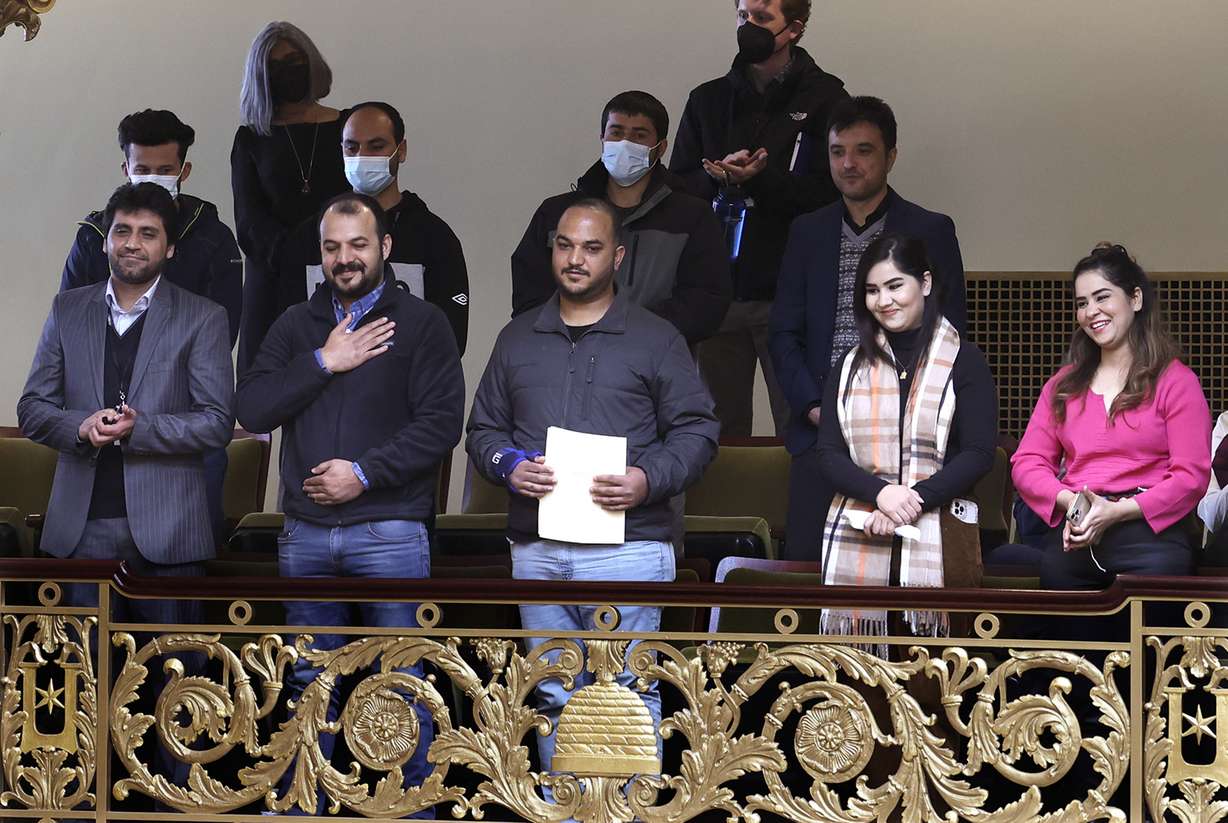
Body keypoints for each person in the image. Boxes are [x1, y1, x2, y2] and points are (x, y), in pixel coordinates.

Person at [468, 199, 719, 786]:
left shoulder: (657, 339)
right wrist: (508, 466)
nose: (575, 259)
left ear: (619, 256)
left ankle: (626, 813)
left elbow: (699, 430)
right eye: (564, 245)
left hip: (628, 546)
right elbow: (482, 432)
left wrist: (646, 479)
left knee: (626, 703)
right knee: (551, 697)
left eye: (591, 247)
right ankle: (564, 809)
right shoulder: (517, 338)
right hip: (537, 546)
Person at [235, 192, 465, 816]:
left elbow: (443, 424)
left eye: (359, 245)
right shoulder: (294, 325)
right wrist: (323, 362)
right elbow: (252, 408)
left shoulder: (422, 324)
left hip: (390, 532)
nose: (345, 258)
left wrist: (363, 473)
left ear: (385, 248)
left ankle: (409, 809)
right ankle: (307, 808)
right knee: (311, 684)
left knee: (401, 686)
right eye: (333, 247)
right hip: (306, 534)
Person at [18, 182, 234, 613]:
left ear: (170, 248)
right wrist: (78, 426)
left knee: (174, 676)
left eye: (148, 233)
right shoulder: (67, 309)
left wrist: (143, 428)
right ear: (105, 241)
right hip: (81, 528)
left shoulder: (204, 316)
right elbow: (31, 409)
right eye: (122, 231)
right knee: (87, 674)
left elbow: (216, 422)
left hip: (171, 532)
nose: (132, 243)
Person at [769, 95, 968, 561]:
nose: (848, 164)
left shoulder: (931, 230)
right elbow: (783, 333)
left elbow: (949, 331)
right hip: (822, 431)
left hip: (907, 432)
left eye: (864, 151)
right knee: (810, 571)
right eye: (838, 152)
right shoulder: (807, 231)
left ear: (891, 156)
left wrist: (907, 406)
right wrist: (815, 406)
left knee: (902, 576)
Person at [60, 109, 241, 542]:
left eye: (165, 170)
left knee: (186, 555)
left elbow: (222, 334)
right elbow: (72, 333)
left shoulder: (213, 238)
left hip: (186, 425)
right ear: (125, 168)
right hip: (101, 423)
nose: (153, 178)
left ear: (184, 170)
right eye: (142, 170)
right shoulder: (93, 236)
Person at [671, 0, 848, 437]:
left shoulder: (828, 98)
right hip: (719, 292)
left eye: (762, 19)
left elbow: (834, 193)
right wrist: (718, 178)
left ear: (794, 29)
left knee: (801, 424)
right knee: (717, 431)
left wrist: (762, 180)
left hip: (792, 294)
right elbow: (676, 189)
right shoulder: (708, 100)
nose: (748, 27)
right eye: (742, 16)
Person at [818, 234, 995, 639]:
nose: (884, 301)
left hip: (943, 533)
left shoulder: (964, 359)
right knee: (861, 682)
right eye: (873, 290)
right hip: (860, 525)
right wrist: (881, 494)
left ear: (926, 284)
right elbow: (827, 452)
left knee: (936, 683)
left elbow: (979, 452)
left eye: (896, 285)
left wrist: (910, 501)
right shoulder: (849, 366)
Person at [1011, 243, 1210, 589]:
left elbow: (1191, 476)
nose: (1091, 311)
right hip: (1077, 532)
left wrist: (1117, 511)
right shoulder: (1063, 385)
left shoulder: (1175, 381)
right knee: (1061, 636)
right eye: (1082, 303)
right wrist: (1072, 501)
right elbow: (1026, 463)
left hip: (1150, 537)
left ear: (1135, 299)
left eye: (1102, 297)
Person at [510, 90, 730, 346]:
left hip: (656, 367)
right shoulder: (556, 214)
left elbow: (706, 301)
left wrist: (630, 332)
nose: (625, 143)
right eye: (616, 132)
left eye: (639, 135)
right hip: (565, 361)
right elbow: (529, 294)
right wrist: (576, 331)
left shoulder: (692, 217)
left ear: (660, 148)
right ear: (602, 139)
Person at [275, 101, 469, 352]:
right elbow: (287, 337)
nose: (362, 157)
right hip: (323, 386)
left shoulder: (435, 238)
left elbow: (450, 339)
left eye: (376, 147)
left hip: (407, 387)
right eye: (352, 147)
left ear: (401, 151)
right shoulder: (308, 236)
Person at [232, 21, 349, 370]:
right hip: (271, 275)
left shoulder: (347, 125)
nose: (288, 72)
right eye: (276, 66)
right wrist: (293, 257)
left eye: (295, 61)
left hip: (339, 271)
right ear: (261, 75)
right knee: (267, 386)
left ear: (311, 61)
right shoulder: (250, 138)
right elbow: (249, 221)